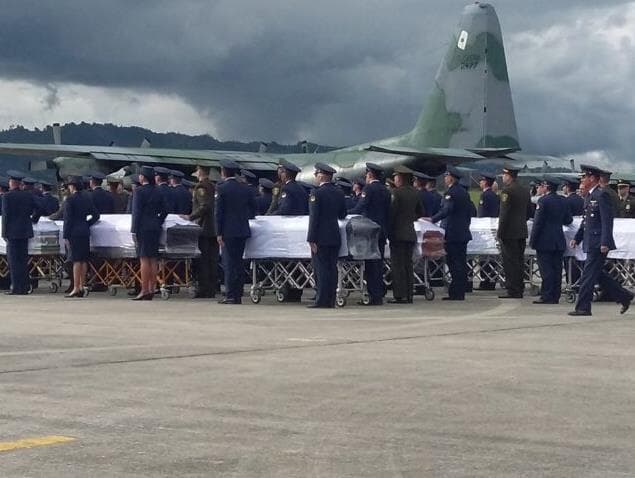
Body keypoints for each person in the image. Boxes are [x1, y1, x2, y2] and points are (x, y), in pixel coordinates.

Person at [569, 165, 634, 316]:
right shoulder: (590, 196)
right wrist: (577, 238)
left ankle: (583, 307)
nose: (582, 180)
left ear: (592, 179)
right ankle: (624, 296)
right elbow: (586, 222)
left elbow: (607, 221)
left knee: (588, 275)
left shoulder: (601, 195)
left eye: (584, 177)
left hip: (598, 243)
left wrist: (605, 242)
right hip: (590, 240)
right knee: (597, 274)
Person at [348, 163, 391, 306]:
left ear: (370, 174)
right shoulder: (385, 190)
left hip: (370, 232)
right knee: (378, 264)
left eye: (367, 174)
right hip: (382, 231)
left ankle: (374, 296)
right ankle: (378, 294)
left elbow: (362, 206)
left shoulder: (369, 189)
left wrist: (347, 214)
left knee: (371, 265)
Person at [215, 159, 256, 304]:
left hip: (228, 230)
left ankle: (231, 294)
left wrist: (218, 232)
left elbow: (219, 213)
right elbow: (253, 209)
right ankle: (238, 292)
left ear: (223, 172)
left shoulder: (222, 188)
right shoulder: (245, 188)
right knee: (238, 262)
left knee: (229, 263)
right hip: (242, 229)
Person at [307, 163, 347, 308]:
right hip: (334, 235)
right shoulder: (339, 192)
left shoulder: (316, 193)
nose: (315, 177)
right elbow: (343, 214)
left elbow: (314, 218)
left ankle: (321, 300)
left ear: (322, 175)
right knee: (332, 268)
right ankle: (330, 299)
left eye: (316, 174)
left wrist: (311, 238)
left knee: (321, 268)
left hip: (320, 236)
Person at [429, 167, 472, 300]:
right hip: (463, 233)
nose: (445, 178)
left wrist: (432, 219)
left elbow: (446, 210)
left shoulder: (451, 193)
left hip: (453, 233)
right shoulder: (464, 193)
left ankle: (456, 292)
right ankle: (460, 291)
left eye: (446, 176)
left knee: (454, 263)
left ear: (451, 178)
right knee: (460, 262)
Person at [529, 178, 573, 304]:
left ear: (546, 187)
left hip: (544, 240)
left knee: (546, 269)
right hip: (558, 239)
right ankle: (555, 295)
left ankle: (547, 295)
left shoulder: (543, 201)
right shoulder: (563, 200)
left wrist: (533, 240)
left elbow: (538, 223)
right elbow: (568, 220)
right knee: (557, 269)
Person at [131, 166, 168, 301]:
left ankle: (144, 289)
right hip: (155, 227)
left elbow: (136, 213)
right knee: (153, 259)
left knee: (144, 259)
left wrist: (133, 230)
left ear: (142, 177)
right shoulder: (158, 191)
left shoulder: (139, 191)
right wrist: (157, 221)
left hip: (143, 227)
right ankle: (152, 288)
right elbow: (164, 210)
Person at [388, 165, 424, 304]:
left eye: (396, 177)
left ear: (401, 178)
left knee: (398, 265)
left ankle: (400, 295)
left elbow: (392, 213)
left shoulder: (396, 193)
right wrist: (409, 218)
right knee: (408, 265)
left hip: (397, 233)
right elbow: (421, 212)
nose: (394, 179)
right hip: (410, 232)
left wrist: (389, 229)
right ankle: (409, 294)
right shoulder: (415, 193)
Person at [1, 170, 41, 295]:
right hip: (25, 231)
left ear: (12, 183)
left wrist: (4, 233)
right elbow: (39, 208)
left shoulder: (6, 197)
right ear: (20, 183)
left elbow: (6, 216)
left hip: (12, 232)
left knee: (13, 261)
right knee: (23, 260)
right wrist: (33, 219)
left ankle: (16, 287)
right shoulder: (28, 195)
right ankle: (24, 286)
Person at [182, 165, 218, 298]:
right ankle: (212, 288)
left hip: (204, 228)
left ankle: (204, 288)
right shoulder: (213, 186)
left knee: (203, 260)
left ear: (201, 172)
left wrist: (190, 217)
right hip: (213, 228)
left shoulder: (200, 187)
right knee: (212, 260)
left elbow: (204, 206)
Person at [62, 176, 100, 298]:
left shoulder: (70, 200)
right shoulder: (87, 198)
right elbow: (96, 215)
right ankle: (83, 285)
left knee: (76, 260)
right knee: (83, 260)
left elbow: (67, 220)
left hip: (74, 232)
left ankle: (76, 287)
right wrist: (86, 224)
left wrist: (65, 235)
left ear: (72, 186)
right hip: (84, 230)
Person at [497, 165, 531, 299]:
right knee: (519, 261)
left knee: (510, 262)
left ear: (509, 176)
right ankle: (519, 287)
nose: (503, 178)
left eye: (504, 175)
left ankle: (512, 290)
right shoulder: (524, 191)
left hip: (509, 232)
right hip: (521, 231)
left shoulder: (507, 191)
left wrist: (500, 232)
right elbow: (529, 212)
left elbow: (504, 214)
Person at [475, 172, 500, 290]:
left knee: (484, 257)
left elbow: (481, 214)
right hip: (494, 228)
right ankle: (492, 279)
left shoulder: (484, 196)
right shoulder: (495, 196)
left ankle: (485, 281)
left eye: (481, 180)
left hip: (485, 228)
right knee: (492, 257)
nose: (480, 182)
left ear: (485, 182)